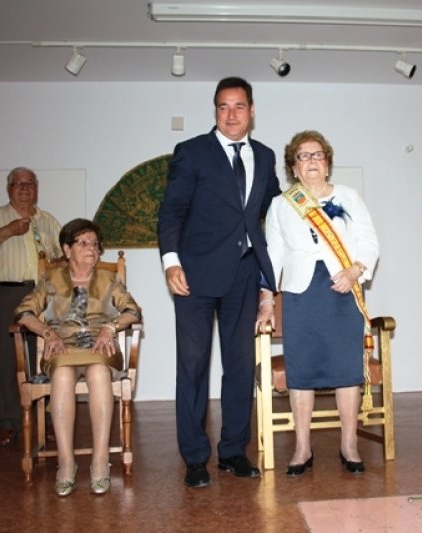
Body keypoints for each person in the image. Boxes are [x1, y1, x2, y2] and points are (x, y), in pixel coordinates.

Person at [158, 77, 282, 488]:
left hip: (244, 274)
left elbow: (276, 210)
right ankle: (195, 457)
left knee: (240, 366)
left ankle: (232, 452)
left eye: (239, 106)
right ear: (215, 111)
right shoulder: (192, 152)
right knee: (193, 366)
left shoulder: (264, 157)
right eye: (223, 107)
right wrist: (171, 261)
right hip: (194, 275)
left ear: (252, 110)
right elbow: (172, 210)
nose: (231, 114)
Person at [257, 130, 379, 476]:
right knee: (302, 372)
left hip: (342, 292)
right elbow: (272, 258)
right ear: (293, 168)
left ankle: (349, 445)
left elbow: (369, 243)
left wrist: (355, 270)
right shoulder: (282, 204)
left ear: (327, 162)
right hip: (300, 295)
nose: (310, 161)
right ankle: (301, 447)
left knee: (346, 370)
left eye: (317, 155)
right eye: (302, 156)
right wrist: (267, 300)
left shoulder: (349, 197)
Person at [14, 218, 142, 496]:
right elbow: (23, 313)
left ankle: (99, 462)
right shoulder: (50, 279)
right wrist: (47, 333)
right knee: (61, 375)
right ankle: (66, 462)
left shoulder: (109, 279)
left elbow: (133, 311)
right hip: (62, 346)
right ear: (66, 248)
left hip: (100, 346)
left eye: (95, 244)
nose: (92, 249)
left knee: (97, 372)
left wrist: (110, 327)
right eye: (84, 243)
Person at [0, 167, 62, 447]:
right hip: (5, 295)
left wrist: (59, 264)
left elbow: (62, 256)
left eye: (29, 184)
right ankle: (8, 422)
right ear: (8, 189)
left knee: (45, 357)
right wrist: (8, 230)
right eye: (18, 184)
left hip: (41, 295)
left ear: (37, 189)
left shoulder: (47, 221)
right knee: (4, 358)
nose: (24, 188)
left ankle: (44, 420)